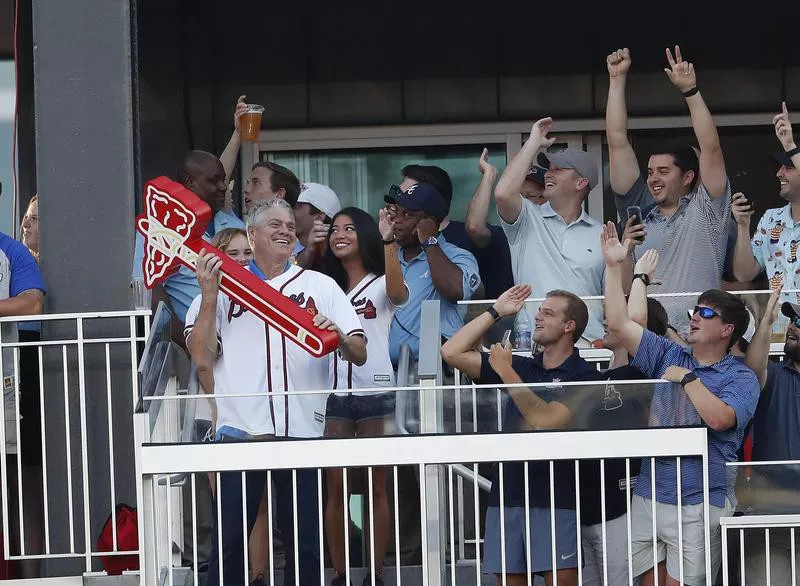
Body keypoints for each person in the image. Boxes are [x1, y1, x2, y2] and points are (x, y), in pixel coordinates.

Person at [186, 198, 366, 586]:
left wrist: (333, 329)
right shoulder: (222, 287)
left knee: (304, 544)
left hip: (302, 430)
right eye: (275, 225)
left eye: (289, 225)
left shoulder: (319, 285)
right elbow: (201, 355)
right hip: (239, 430)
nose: (286, 231)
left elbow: (359, 351)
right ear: (252, 234)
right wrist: (209, 296)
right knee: (229, 542)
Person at [601, 221, 758, 586]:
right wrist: (614, 268)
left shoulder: (741, 377)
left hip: (700, 500)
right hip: (649, 494)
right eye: (694, 312)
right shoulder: (671, 353)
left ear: (727, 329)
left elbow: (721, 420)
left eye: (705, 313)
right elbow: (620, 323)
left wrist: (688, 379)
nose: (694, 318)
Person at [441, 284, 602, 586]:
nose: (538, 316)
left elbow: (545, 419)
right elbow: (450, 351)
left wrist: (505, 370)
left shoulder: (585, 374)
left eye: (548, 313)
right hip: (508, 494)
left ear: (569, 327)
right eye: (540, 310)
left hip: (554, 496)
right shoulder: (521, 366)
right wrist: (496, 311)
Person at [605, 46, 732, 337]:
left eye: (663, 172)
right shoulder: (638, 214)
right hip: (647, 340)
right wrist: (616, 80)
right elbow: (617, 141)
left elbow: (711, 148)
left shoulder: (708, 209)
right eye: (650, 172)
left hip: (699, 340)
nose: (653, 180)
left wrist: (690, 91)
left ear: (688, 176)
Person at [320, 207, 408, 586]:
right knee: (336, 486)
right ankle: (340, 573)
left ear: (366, 234)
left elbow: (398, 293)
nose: (340, 234)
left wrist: (389, 240)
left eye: (350, 228)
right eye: (335, 229)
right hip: (334, 393)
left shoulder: (379, 281)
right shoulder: (322, 285)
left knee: (376, 484)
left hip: (376, 389)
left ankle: (375, 572)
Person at [494, 117, 605, 342]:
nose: (548, 174)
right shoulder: (527, 218)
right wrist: (534, 141)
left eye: (558, 169)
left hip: (589, 344)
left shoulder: (601, 233)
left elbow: (613, 297)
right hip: (534, 341)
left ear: (581, 183)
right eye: (549, 169)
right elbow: (503, 193)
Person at [132, 150, 245, 324]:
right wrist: (185, 343)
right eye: (214, 181)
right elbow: (150, 290)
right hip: (193, 340)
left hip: (242, 338)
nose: (223, 186)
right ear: (189, 182)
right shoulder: (159, 227)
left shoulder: (236, 226)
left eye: (223, 179)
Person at [384, 182, 480, 367]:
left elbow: (455, 291)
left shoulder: (458, 256)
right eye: (398, 212)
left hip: (437, 374)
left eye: (408, 214)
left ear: (431, 221)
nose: (397, 220)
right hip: (388, 376)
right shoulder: (390, 256)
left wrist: (429, 241)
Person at [740, 288, 800, 584]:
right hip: (770, 514)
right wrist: (766, 323)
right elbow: (753, 368)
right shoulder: (773, 374)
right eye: (791, 320)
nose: (792, 326)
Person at [731, 102, 800, 332]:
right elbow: (744, 273)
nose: (779, 173)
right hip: (779, 334)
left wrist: (790, 144)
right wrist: (743, 225)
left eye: (788, 166)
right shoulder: (772, 218)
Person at [6, 196, 46, 578]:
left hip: (18, 369)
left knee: (25, 475)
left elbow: (32, 305)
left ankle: (30, 576)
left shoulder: (12, 251)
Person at [219, 96, 302, 214]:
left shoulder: (287, 232)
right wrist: (238, 133)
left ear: (279, 194)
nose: (246, 190)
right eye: (248, 183)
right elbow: (219, 181)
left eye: (256, 183)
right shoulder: (235, 229)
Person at [292, 182, 342, 269]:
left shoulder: (339, 256)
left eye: (296, 206)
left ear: (319, 217)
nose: (289, 211)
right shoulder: (284, 250)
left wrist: (309, 251)